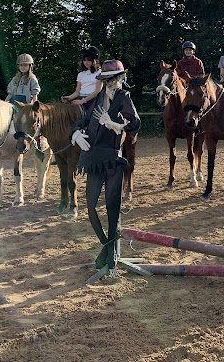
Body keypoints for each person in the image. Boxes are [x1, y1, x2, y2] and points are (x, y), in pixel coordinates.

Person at [71, 60, 140, 280]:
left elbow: (135, 123)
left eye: (113, 79)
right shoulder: (97, 98)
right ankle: (107, 247)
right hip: (93, 159)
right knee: (90, 208)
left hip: (113, 158)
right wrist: (76, 134)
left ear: (119, 79)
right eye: (106, 79)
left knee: (112, 209)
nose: (110, 83)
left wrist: (114, 124)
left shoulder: (123, 97)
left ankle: (111, 260)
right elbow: (81, 119)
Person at [61, 46, 102, 114]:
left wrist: (83, 101)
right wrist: (68, 98)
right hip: (80, 99)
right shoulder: (81, 74)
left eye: (89, 60)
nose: (86, 62)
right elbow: (77, 92)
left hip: (93, 101)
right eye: (84, 60)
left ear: (94, 60)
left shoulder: (99, 73)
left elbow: (97, 91)